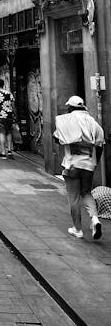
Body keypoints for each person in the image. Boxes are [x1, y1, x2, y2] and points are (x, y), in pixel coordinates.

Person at [53, 95, 104, 240]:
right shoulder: (93, 123)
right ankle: (95, 219)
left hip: (72, 164)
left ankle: (78, 229)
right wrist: (94, 163)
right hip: (88, 165)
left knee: (74, 198)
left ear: (70, 107)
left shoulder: (67, 121)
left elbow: (57, 138)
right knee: (86, 193)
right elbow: (100, 144)